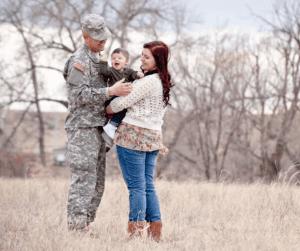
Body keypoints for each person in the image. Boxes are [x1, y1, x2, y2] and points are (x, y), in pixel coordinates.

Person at [62, 13, 132, 231]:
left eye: (104, 36)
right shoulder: (79, 61)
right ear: (85, 36)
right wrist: (110, 91)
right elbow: (77, 95)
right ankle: (76, 228)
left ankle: (87, 223)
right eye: (97, 37)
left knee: (97, 181)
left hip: (99, 128)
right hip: (82, 128)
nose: (103, 41)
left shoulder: (98, 59)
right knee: (84, 177)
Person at [106, 41, 172, 242]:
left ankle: (135, 232)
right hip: (152, 138)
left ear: (157, 60)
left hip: (132, 138)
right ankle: (155, 232)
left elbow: (118, 104)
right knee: (147, 185)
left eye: (146, 57)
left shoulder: (146, 82)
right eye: (141, 55)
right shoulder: (163, 81)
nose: (141, 59)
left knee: (136, 186)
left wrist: (106, 109)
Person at [99, 48, 144, 148]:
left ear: (126, 62)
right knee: (121, 109)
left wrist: (138, 74)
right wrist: (103, 62)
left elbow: (134, 74)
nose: (116, 60)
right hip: (113, 96)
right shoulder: (111, 71)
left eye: (119, 58)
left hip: (124, 97)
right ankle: (112, 125)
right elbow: (103, 72)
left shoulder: (128, 71)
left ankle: (113, 128)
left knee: (126, 111)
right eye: (114, 58)